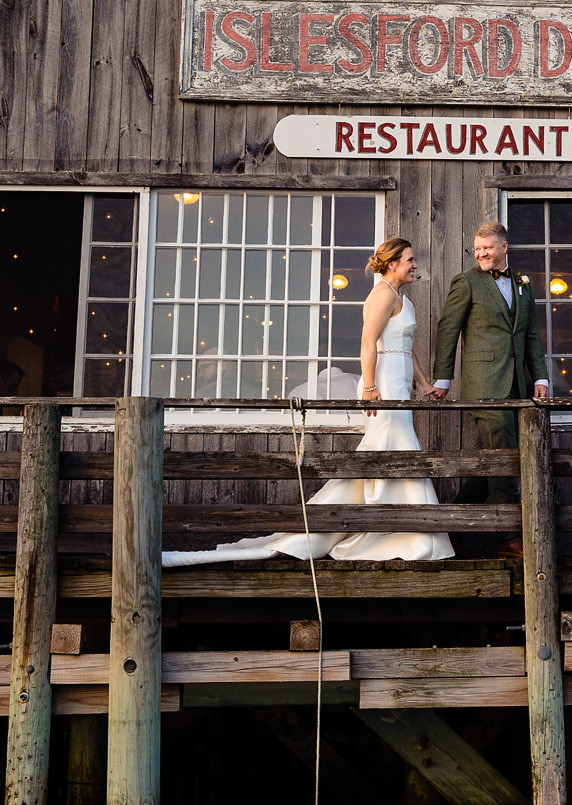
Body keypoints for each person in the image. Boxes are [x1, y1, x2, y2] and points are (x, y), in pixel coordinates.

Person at [160, 237, 454, 566]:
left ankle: (393, 527)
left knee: (395, 450)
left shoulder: (403, 299)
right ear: (392, 263)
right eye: (410, 259)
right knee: (392, 449)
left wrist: (425, 382)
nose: (415, 265)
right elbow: (367, 342)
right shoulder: (381, 295)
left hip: (400, 384)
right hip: (383, 383)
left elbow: (406, 346)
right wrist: (369, 386)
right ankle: (391, 532)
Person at [427, 220, 548, 554]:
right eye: (477, 249)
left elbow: (531, 335)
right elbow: (448, 329)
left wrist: (540, 377)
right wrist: (443, 378)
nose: (480, 254)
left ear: (504, 247)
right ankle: (506, 538)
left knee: (500, 457)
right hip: (484, 384)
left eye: (487, 248)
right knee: (505, 458)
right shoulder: (466, 282)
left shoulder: (523, 284)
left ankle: (450, 521)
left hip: (517, 388)